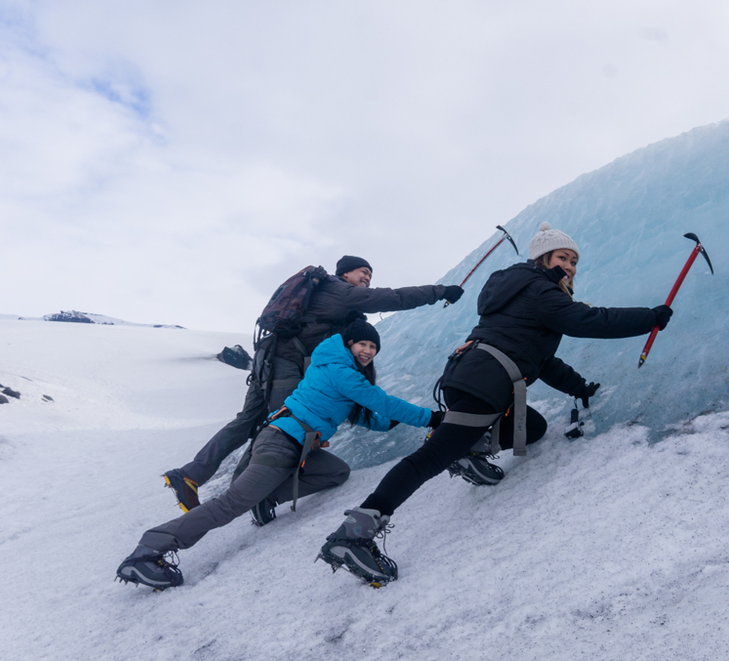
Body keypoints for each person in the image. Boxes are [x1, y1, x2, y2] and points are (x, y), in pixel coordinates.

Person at [317, 222, 674, 586]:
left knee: (531, 428)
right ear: (543, 258)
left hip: (471, 375)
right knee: (430, 458)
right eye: (563, 257)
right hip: (485, 382)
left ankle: (467, 450)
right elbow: (587, 320)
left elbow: (541, 360)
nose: (570, 266)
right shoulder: (540, 289)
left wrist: (578, 387)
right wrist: (649, 317)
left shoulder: (521, 290)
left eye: (575, 261)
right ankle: (353, 535)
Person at [117, 317, 445, 590]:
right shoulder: (338, 370)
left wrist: (388, 425)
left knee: (336, 472)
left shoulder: (341, 374)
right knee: (229, 505)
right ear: (348, 344)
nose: (368, 351)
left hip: (298, 447)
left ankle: (268, 497)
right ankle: (149, 549)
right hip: (280, 443)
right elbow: (382, 402)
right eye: (363, 344)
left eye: (373, 347)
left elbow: (364, 413)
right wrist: (431, 418)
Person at [162, 255, 464, 513]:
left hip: (269, 358)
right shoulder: (339, 289)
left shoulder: (329, 298)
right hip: (285, 363)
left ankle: (190, 475)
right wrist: (439, 292)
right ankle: (244, 495)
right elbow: (390, 298)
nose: (367, 279)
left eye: (370, 275)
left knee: (249, 421)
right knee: (280, 424)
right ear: (345, 273)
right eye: (363, 273)